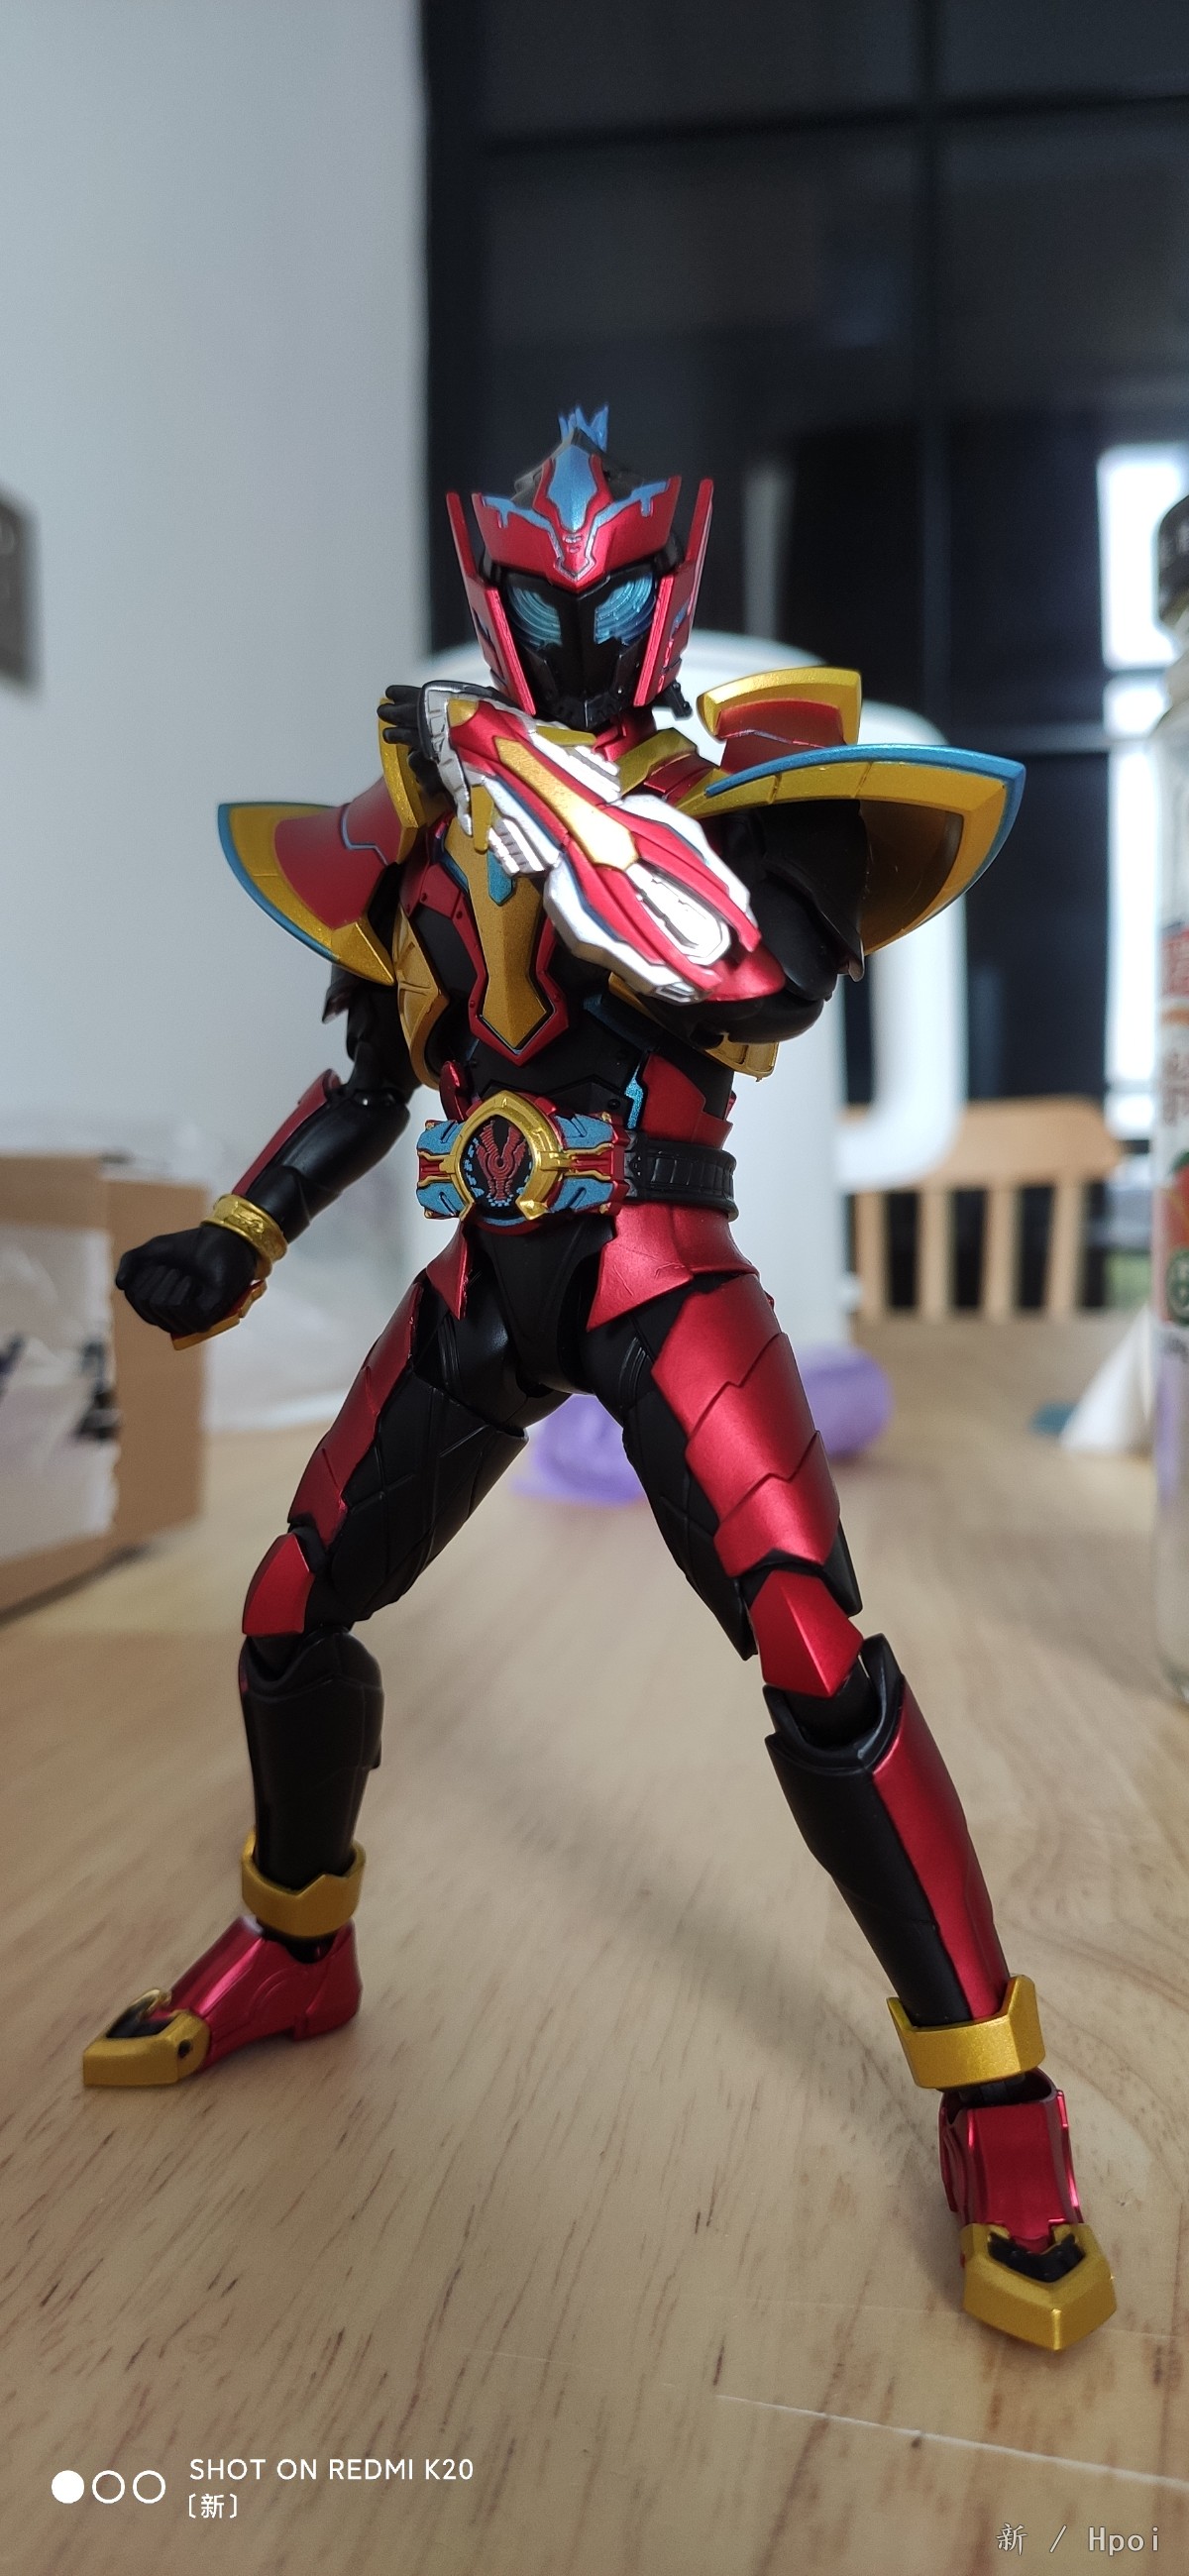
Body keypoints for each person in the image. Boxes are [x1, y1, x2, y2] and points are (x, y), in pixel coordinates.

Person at [86, 407, 1114, 2351]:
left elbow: (758, 974)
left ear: (668, 592)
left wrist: (592, 826)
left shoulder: (753, 786)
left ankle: (998, 2088)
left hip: (658, 1269)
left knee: (812, 1640)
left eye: (608, 601)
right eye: (538, 606)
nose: (570, 634)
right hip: (490, 1276)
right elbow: (371, 1075)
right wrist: (245, 1228)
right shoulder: (428, 828)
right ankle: (299, 1944)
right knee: (291, 1608)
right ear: (494, 601)